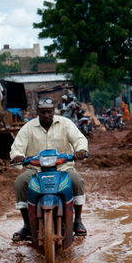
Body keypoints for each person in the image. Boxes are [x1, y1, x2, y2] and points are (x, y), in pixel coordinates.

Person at [10, 97, 89, 241]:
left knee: (77, 181)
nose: (46, 115)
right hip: (36, 170)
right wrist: (17, 156)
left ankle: (77, 220)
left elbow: (79, 139)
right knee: (20, 182)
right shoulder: (28, 127)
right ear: (37, 112)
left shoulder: (65, 124)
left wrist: (81, 150)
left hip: (62, 168)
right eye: (42, 112)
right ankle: (27, 225)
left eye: (49, 112)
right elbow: (17, 146)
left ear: (54, 111)